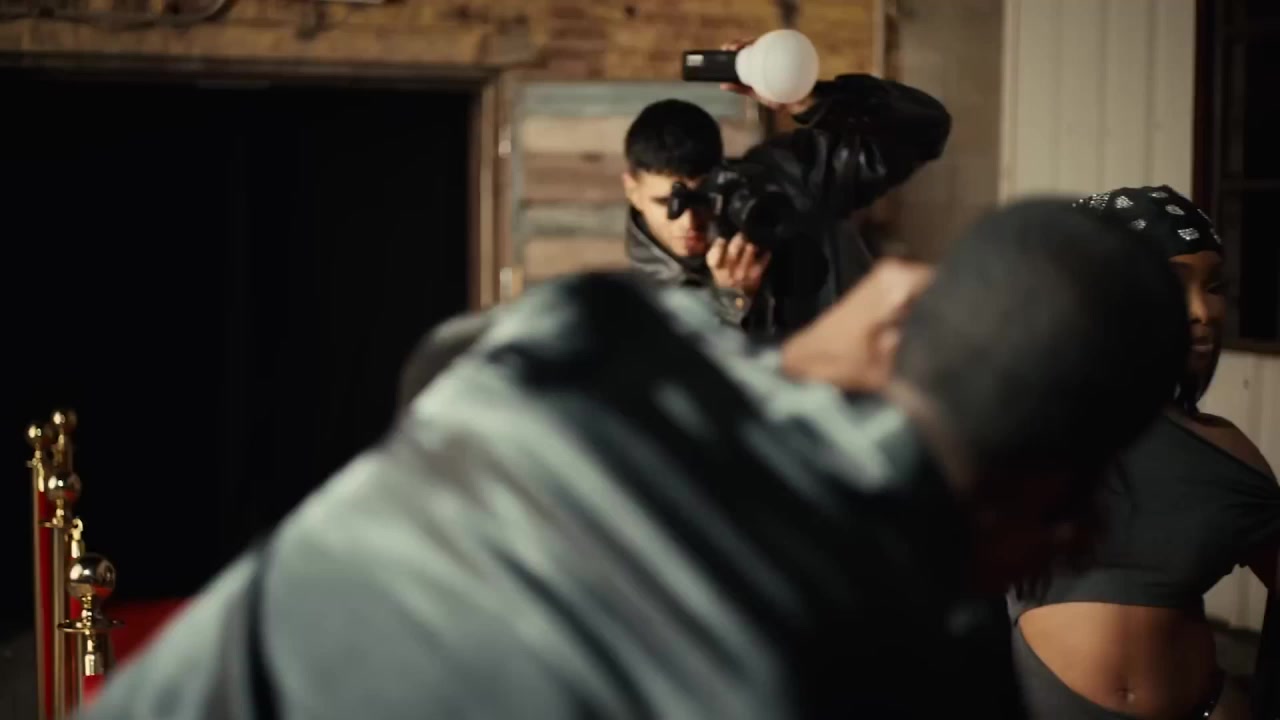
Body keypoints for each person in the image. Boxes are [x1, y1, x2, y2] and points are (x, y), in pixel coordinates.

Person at [79, 199, 1186, 720]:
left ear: (897, 316)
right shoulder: (892, 670)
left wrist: (781, 368)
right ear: (1070, 506)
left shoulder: (586, 333)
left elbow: (438, 373)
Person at [1009, 186, 1280, 720]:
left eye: (1214, 286)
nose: (1203, 311)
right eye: (1173, 285)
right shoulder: (1023, 424)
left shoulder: (1224, 451)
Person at [622, 38, 950, 339]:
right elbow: (707, 382)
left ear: (720, 169)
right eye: (667, 202)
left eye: (701, 198)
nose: (689, 222)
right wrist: (733, 302)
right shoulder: (636, 306)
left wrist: (810, 99)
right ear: (632, 189)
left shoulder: (784, 176)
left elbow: (925, 130)